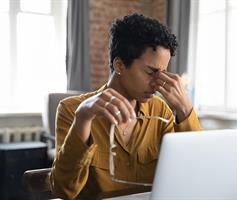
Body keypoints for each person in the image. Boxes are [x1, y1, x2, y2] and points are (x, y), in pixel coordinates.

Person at [50, 13, 202, 199]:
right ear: (120, 65)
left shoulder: (160, 111)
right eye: (151, 72)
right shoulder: (72, 110)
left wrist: (185, 108)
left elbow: (195, 174)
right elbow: (63, 191)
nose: (158, 83)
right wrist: (83, 119)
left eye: (163, 73)